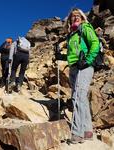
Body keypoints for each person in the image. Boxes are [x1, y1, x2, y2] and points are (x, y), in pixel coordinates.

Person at [65, 8, 100, 143]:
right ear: (70, 19)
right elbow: (74, 53)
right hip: (74, 67)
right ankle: (87, 132)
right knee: (80, 99)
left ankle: (77, 133)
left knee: (78, 96)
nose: (76, 17)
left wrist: (88, 61)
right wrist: (61, 56)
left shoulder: (84, 27)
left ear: (83, 17)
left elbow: (95, 43)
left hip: (84, 67)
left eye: (78, 15)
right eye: (73, 16)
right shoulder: (72, 34)